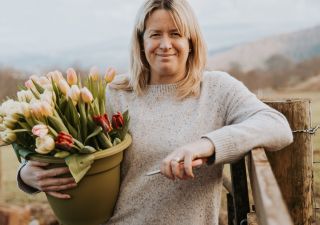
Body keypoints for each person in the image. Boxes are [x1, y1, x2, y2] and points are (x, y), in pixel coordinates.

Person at [17, 0, 293, 224]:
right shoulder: (115, 93)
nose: (165, 44)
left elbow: (276, 125)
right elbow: (72, 149)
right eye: (155, 34)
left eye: (175, 34)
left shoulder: (217, 89)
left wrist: (206, 144)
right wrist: (26, 175)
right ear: (141, 42)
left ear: (191, 42)